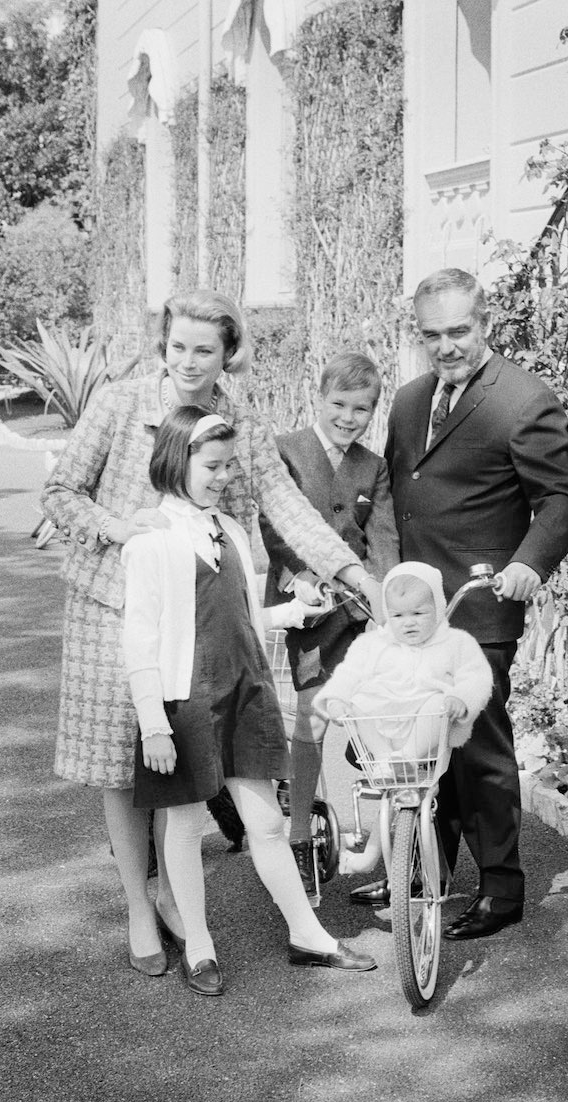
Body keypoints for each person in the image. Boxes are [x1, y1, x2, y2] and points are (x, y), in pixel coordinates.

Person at [40, 289, 384, 976]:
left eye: (206, 349)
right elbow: (60, 494)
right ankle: (140, 906)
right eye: (179, 346)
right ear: (162, 344)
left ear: (228, 353)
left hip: (197, 615)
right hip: (111, 605)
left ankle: (174, 897)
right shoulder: (118, 404)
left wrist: (350, 570)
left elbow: (281, 501)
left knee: (179, 768)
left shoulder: (240, 420)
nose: (190, 361)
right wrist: (116, 527)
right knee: (120, 768)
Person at [121, 407, 376, 995]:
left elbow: (233, 618)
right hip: (186, 702)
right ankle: (201, 948)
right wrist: (154, 722)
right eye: (212, 465)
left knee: (265, 820)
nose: (224, 476)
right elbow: (141, 636)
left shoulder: (230, 530)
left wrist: (290, 614)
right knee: (183, 825)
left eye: (230, 464)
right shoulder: (153, 538)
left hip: (244, 692)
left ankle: (308, 935)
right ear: (175, 460)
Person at [367, 267, 568, 938]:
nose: (446, 346)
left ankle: (501, 888)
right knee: (418, 738)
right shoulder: (408, 402)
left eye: (459, 330)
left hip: (480, 605)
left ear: (485, 323)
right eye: (432, 334)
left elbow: (562, 501)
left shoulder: (523, 400)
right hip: (412, 609)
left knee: (475, 744)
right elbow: (392, 495)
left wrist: (528, 564)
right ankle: (417, 871)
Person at [258, 350, 399, 904]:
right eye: (339, 405)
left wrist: (384, 593)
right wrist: (297, 578)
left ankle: (382, 834)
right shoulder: (287, 451)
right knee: (313, 716)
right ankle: (298, 835)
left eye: (360, 409)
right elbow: (274, 524)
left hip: (361, 611)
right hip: (310, 607)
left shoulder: (373, 465)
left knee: (375, 719)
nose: (348, 417)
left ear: (372, 412)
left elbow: (382, 534)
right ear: (319, 398)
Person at [315, 562, 493, 881]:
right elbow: (350, 672)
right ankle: (389, 762)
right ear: (387, 614)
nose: (408, 623)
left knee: (436, 702)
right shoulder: (374, 645)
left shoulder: (455, 643)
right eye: (398, 616)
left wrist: (461, 698)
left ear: (437, 607)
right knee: (359, 701)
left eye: (418, 614)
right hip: (385, 740)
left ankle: (402, 766)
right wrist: (338, 698)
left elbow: (477, 676)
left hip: (425, 739)